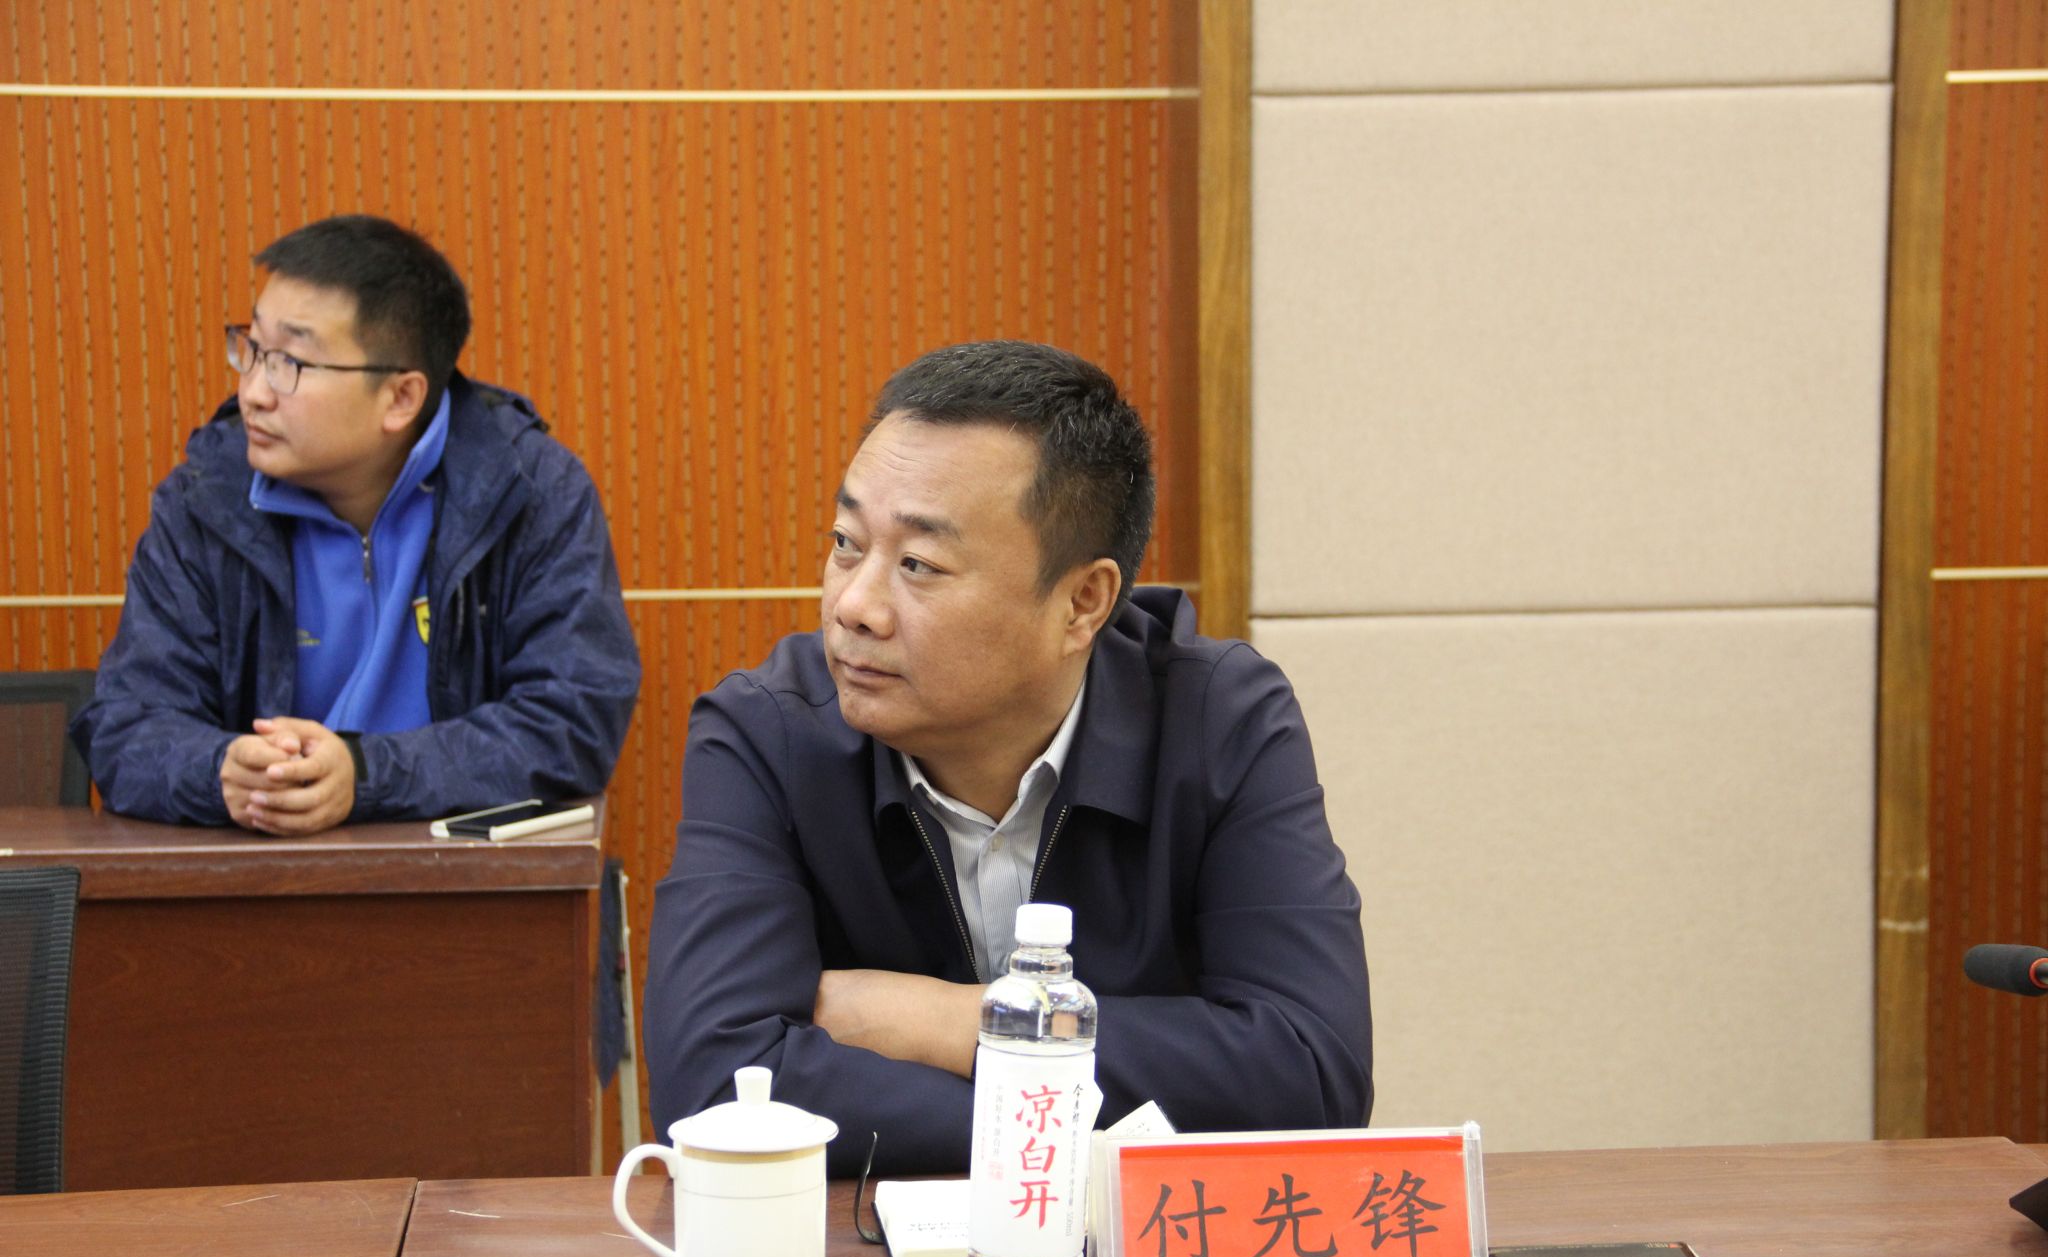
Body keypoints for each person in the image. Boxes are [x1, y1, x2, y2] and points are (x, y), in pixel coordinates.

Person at [646, 340, 1370, 1175]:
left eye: (918, 564)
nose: (854, 605)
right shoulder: (766, 733)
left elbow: (1312, 1073)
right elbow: (714, 1088)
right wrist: (1076, 1112)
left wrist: (951, 1021)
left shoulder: (1218, 722)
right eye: (847, 543)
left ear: (1082, 603)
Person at [70, 214, 639, 833]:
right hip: (263, 873)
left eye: (291, 362)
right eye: (252, 349)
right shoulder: (207, 500)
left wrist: (364, 774)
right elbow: (125, 725)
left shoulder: (528, 491)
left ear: (400, 398)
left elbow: (573, 720)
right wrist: (220, 772)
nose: (254, 391)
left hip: (463, 875)